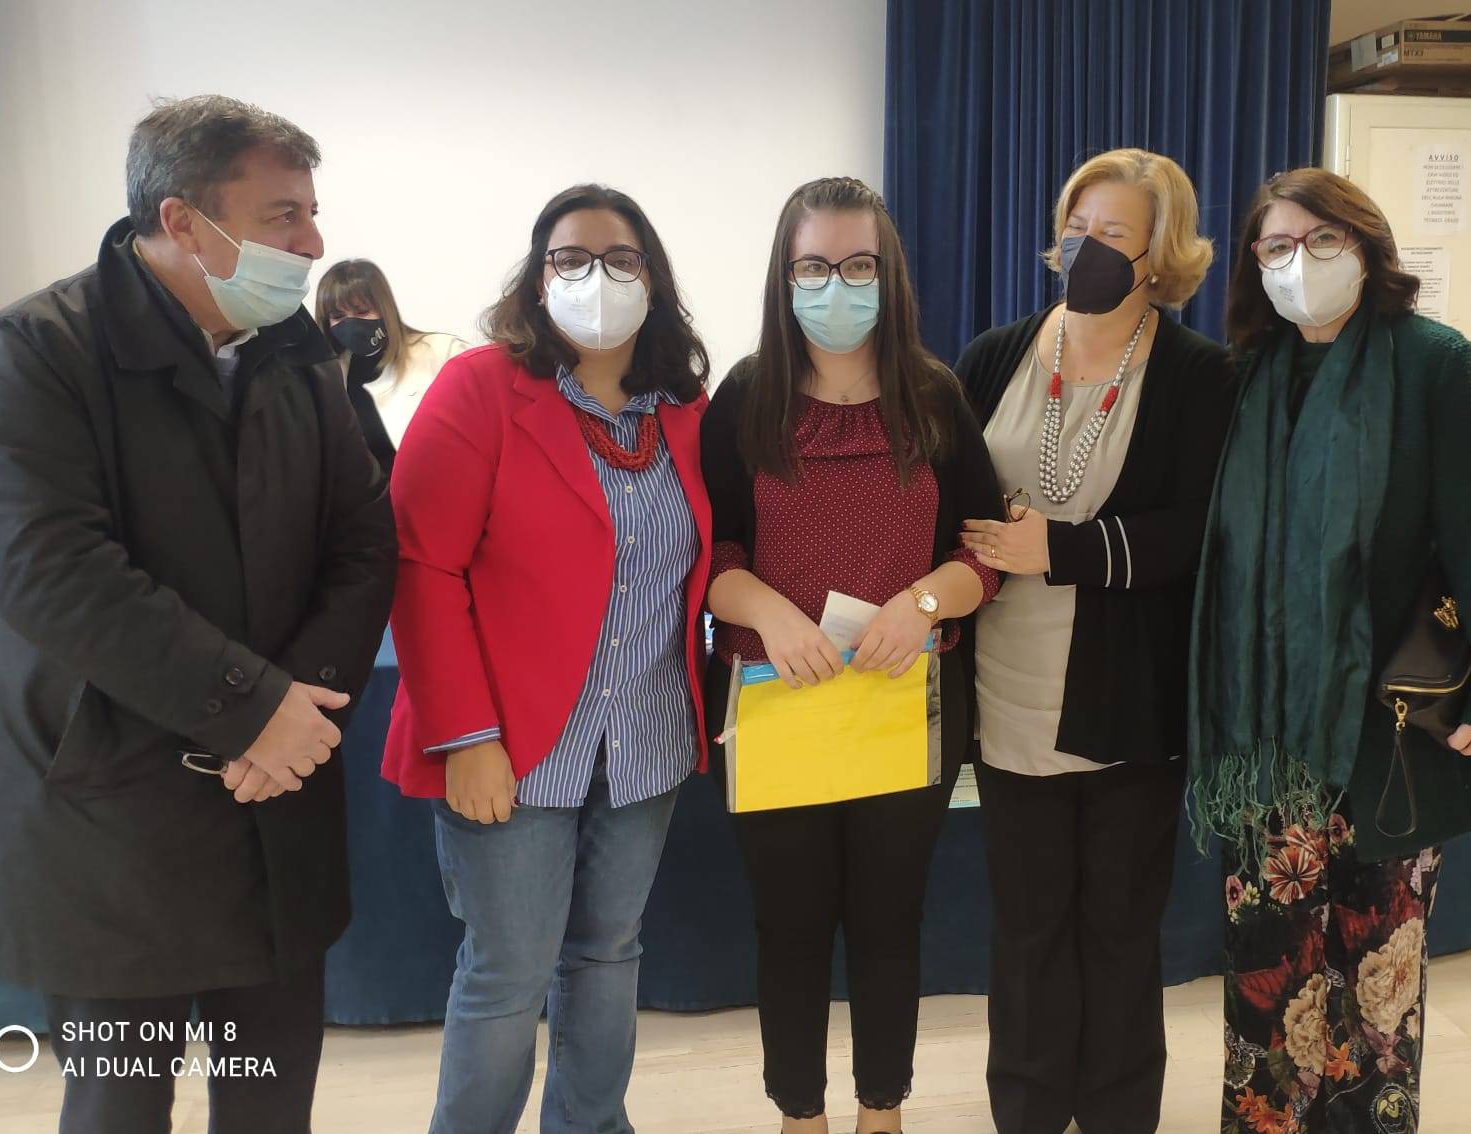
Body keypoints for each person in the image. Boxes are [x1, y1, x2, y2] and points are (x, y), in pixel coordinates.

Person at [0, 95, 395, 1133]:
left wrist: (299, 709)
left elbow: (365, 541)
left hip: (274, 801)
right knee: (120, 1101)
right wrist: (253, 707)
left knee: (271, 1099)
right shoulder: (34, 354)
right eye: (283, 215)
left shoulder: (293, 355)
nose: (311, 243)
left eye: (311, 212)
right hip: (115, 817)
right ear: (183, 220)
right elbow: (53, 572)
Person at [1192, 167, 1471, 1134]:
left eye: (1322, 241)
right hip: (1267, 736)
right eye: (1276, 246)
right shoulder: (1244, 375)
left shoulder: (1430, 361)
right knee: (1269, 976)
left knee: (1376, 978)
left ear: (1368, 248)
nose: (1298, 264)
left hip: (1390, 722)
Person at [379, 185, 712, 1134]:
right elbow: (421, 565)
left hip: (646, 741)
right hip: (510, 747)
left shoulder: (685, 409)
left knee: (608, 956)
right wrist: (465, 737)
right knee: (510, 973)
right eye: (571, 258)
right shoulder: (481, 388)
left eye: (621, 258)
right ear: (538, 277)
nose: (596, 277)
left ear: (653, 278)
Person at [700, 176, 1003, 1133]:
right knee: (788, 929)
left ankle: (883, 1112)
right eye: (814, 267)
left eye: (858, 265)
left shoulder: (935, 397)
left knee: (887, 925)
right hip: (773, 704)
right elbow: (708, 557)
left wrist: (922, 603)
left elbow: (984, 552)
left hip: (899, 709)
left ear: (889, 274)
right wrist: (770, 614)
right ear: (784, 275)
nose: (837, 285)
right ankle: (801, 1116)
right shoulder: (746, 397)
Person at [949, 147, 1235, 1134]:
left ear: (1162, 253)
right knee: (1028, 926)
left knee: (1118, 927)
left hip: (1127, 697)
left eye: (1114, 233)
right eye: (1077, 228)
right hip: (1006, 687)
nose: (1088, 248)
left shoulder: (1200, 375)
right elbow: (945, 489)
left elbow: (1201, 530)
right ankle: (1027, 1110)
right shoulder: (994, 356)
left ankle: (1118, 1112)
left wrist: (1061, 549)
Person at [313, 258, 469, 476]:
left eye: (362, 312)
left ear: (385, 309)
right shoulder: (330, 375)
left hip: (442, 485)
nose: (351, 324)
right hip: (373, 494)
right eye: (338, 316)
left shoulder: (443, 353)